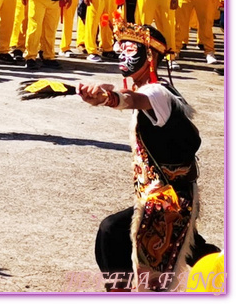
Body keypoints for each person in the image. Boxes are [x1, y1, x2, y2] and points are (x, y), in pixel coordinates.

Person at [78, 20, 219, 291]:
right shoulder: (146, 88)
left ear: (151, 56)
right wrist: (98, 92)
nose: (122, 56)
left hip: (170, 202)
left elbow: (131, 99)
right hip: (158, 195)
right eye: (120, 50)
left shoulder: (157, 92)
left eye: (130, 50)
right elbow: (124, 93)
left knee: (121, 241)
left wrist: (108, 99)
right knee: (184, 248)